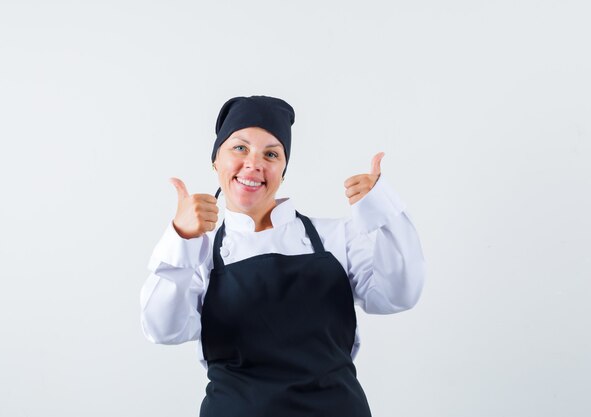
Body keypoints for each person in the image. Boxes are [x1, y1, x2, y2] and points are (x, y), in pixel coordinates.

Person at [140, 95, 425, 417]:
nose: (254, 164)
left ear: (283, 170)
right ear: (215, 160)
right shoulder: (198, 250)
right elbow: (163, 330)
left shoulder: (337, 237)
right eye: (239, 148)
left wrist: (386, 213)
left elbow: (398, 296)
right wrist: (181, 238)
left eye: (271, 154)